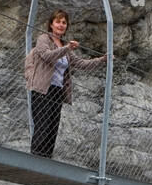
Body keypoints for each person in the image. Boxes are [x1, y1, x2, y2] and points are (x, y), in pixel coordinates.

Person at [24, 9, 106, 157]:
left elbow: (80, 63)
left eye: (64, 23)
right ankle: (35, 157)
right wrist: (66, 48)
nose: (61, 25)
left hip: (57, 90)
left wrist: (102, 60)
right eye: (58, 22)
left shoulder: (63, 45)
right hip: (42, 88)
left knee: (52, 127)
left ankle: (46, 158)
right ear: (51, 24)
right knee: (42, 124)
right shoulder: (44, 39)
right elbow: (47, 56)